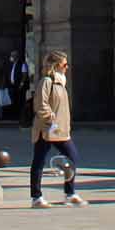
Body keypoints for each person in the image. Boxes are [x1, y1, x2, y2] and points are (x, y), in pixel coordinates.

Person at [29, 50, 88, 209]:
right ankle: (36, 197)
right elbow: (40, 105)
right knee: (39, 162)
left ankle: (70, 193)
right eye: (64, 64)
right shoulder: (46, 81)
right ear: (55, 66)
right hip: (47, 129)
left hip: (61, 130)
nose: (67, 67)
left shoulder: (62, 83)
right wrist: (50, 118)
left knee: (72, 157)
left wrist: (65, 126)